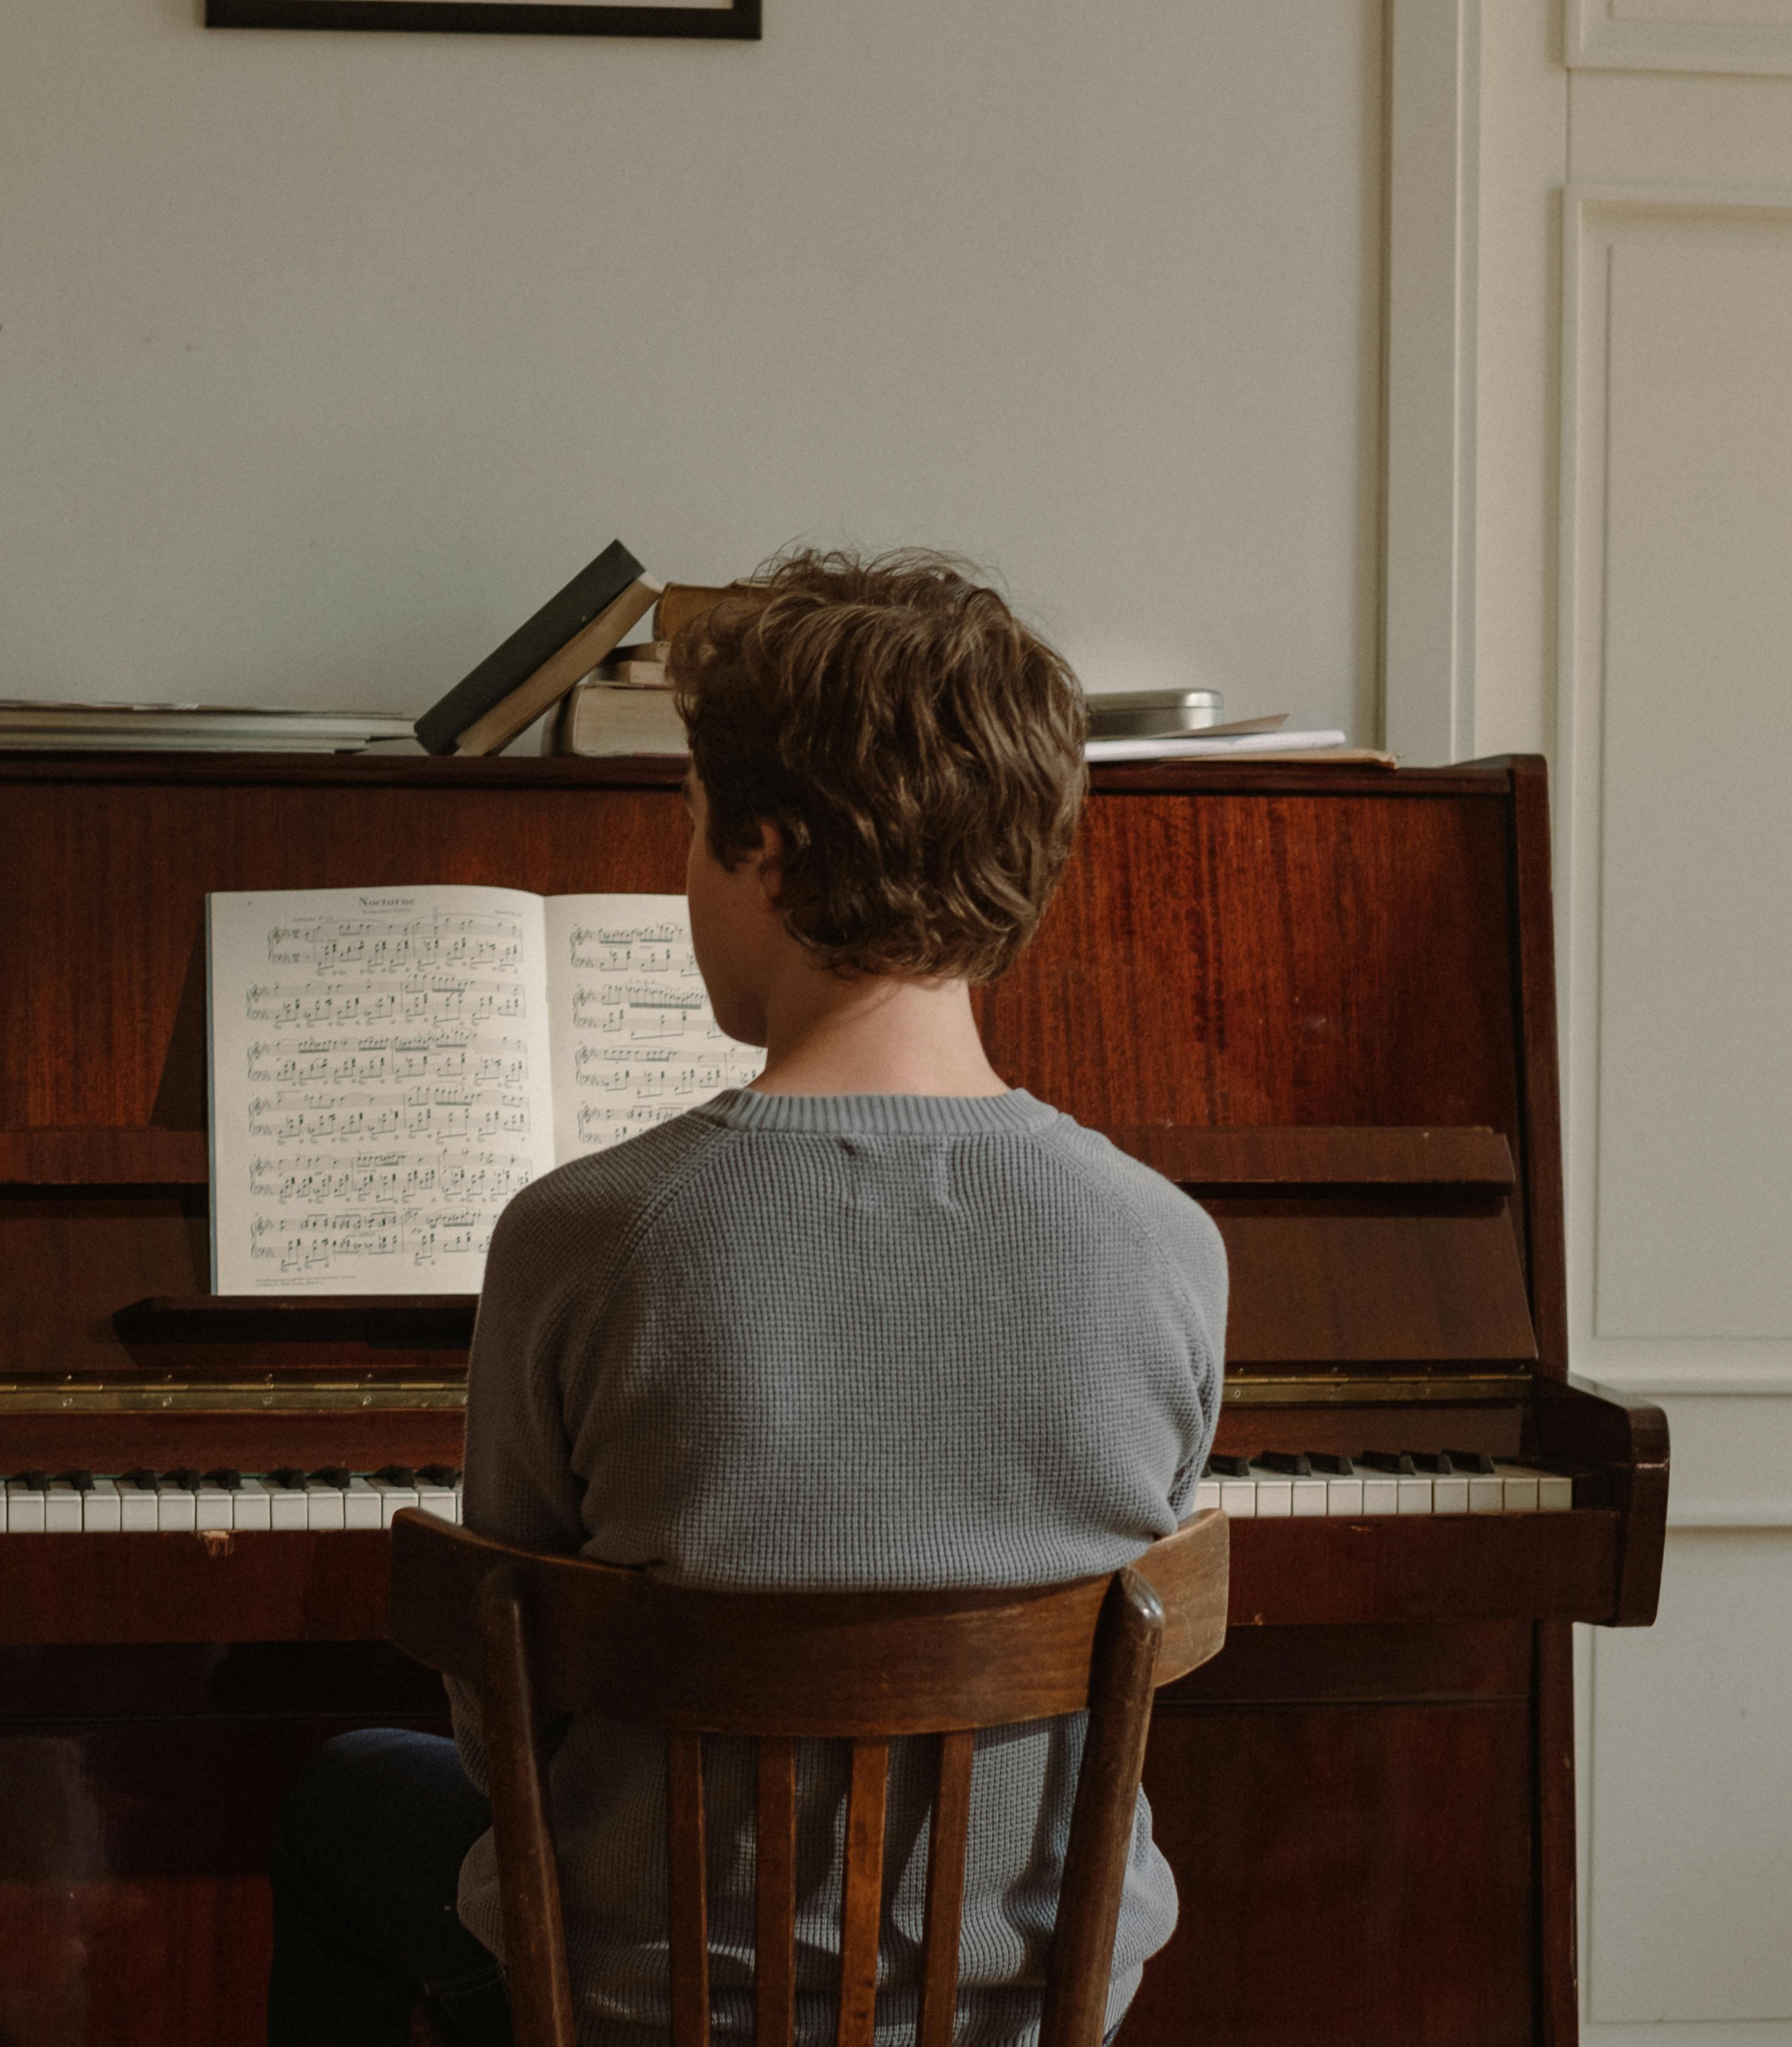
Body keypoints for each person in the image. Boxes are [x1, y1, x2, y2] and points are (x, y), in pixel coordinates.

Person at [268, 550, 1225, 2047]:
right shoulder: (1169, 1243)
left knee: (348, 1795)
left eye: (695, 835)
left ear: (767, 855)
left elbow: (500, 1722)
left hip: (648, 2009)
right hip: (1026, 2009)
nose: (690, 877)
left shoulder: (577, 1237)